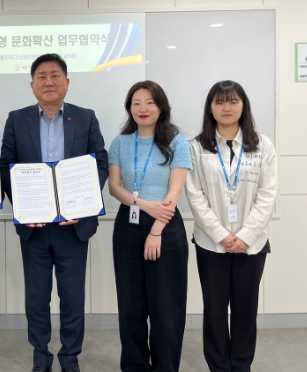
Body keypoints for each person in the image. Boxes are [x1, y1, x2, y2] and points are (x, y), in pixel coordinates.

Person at [0, 53, 108, 372]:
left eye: (55, 75)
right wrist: (24, 206)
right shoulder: (16, 119)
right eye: (42, 76)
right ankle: (41, 356)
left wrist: (83, 204)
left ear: (67, 82)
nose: (49, 81)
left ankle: (70, 357)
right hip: (34, 227)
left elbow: (100, 162)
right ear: (32, 85)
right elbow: (6, 166)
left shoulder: (85, 117)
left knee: (72, 297)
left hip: (73, 227)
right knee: (37, 297)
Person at [185, 80, 277, 372]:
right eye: (220, 101)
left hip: (252, 244)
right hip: (211, 244)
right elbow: (195, 195)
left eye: (233, 101)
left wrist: (246, 235)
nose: (227, 107)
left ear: (243, 106)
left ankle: (240, 365)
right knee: (214, 311)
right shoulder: (196, 147)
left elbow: (268, 194)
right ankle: (218, 367)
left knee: (245, 310)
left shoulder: (262, 145)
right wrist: (222, 235)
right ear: (210, 108)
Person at [108, 80, 192, 372]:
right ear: (129, 108)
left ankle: (165, 367)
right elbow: (114, 187)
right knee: (130, 305)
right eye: (136, 103)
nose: (142, 108)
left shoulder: (177, 142)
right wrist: (143, 204)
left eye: (149, 102)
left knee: (166, 306)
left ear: (161, 107)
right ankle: (134, 366)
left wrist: (156, 230)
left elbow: (175, 192)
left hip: (165, 226)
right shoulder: (120, 142)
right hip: (128, 223)